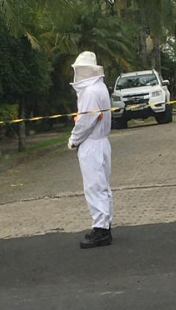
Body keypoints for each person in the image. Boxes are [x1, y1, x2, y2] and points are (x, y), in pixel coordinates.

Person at [68, 51, 114, 249]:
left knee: (94, 186)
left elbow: (86, 120)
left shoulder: (90, 92)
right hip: (102, 142)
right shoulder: (100, 87)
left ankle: (100, 229)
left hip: (92, 143)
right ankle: (105, 224)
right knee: (102, 185)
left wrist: (73, 140)